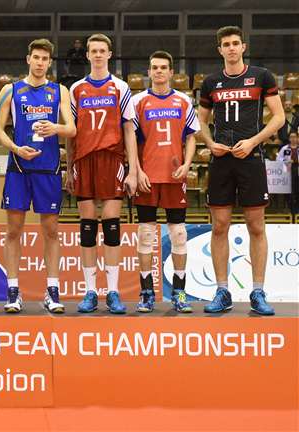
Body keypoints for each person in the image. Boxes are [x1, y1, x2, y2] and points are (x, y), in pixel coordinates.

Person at [198, 26, 284, 315]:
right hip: (222, 161)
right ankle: (222, 291)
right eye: (226, 44)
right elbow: (200, 121)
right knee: (219, 226)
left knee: (256, 226)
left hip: (251, 158)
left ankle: (258, 292)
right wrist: (210, 143)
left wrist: (253, 142)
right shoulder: (211, 82)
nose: (232, 48)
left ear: (243, 47)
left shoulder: (261, 76)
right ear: (220, 50)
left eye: (236, 43)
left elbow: (279, 118)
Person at [0, 39, 76, 313]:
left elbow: (72, 129)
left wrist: (56, 128)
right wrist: (16, 148)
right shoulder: (11, 90)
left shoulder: (59, 91)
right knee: (13, 231)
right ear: (28, 59)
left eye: (45, 59)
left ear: (49, 63)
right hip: (19, 169)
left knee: (51, 231)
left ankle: (52, 291)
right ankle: (13, 291)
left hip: (48, 169)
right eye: (36, 57)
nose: (40, 62)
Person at [67, 33, 138, 314]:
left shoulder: (120, 87)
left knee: (111, 225)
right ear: (87, 55)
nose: (97, 55)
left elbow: (129, 130)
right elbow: (71, 133)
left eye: (102, 50)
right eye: (93, 51)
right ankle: (90, 291)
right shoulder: (76, 89)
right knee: (87, 226)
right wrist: (69, 168)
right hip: (84, 160)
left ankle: (113, 291)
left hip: (111, 159)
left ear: (109, 54)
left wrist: (133, 170)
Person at [131, 51, 200, 313]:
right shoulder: (138, 101)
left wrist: (187, 164)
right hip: (147, 177)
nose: (159, 71)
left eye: (163, 67)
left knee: (179, 234)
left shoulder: (183, 100)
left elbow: (191, 136)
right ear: (149, 72)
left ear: (171, 72)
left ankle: (179, 293)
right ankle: (146, 292)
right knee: (145, 235)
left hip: (174, 176)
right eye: (154, 67)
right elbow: (130, 139)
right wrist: (137, 171)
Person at [277, 129, 299, 213]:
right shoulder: (285, 148)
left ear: (298, 138)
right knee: (290, 190)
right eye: (291, 137)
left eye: (295, 137)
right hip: (288, 171)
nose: (293, 139)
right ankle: (291, 209)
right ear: (289, 138)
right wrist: (286, 161)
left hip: (297, 169)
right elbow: (278, 159)